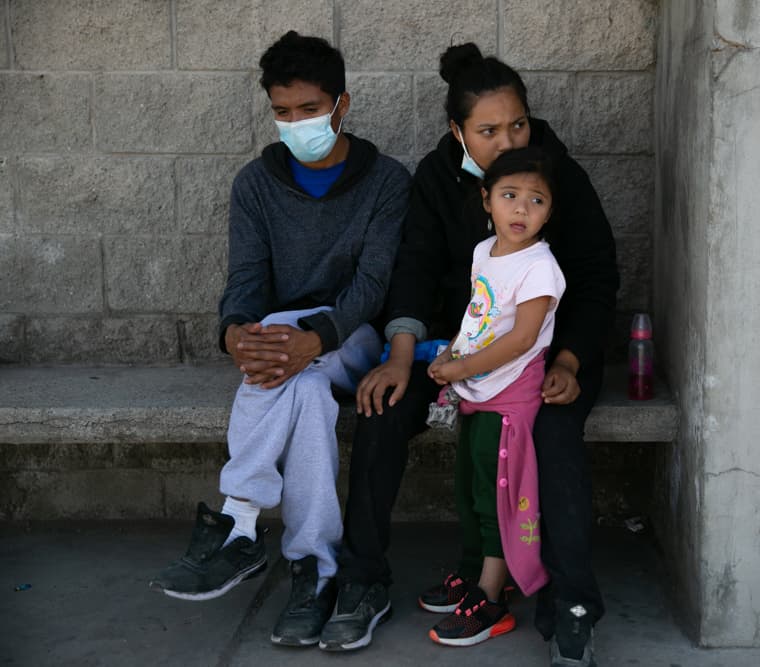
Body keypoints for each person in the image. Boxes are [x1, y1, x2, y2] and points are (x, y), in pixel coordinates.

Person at [323, 43, 618, 666]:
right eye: (488, 130)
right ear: (457, 132)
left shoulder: (555, 176)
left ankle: (569, 604)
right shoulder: (435, 180)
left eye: (518, 124)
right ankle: (361, 580)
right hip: (452, 351)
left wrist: (570, 361)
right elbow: (413, 270)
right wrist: (401, 356)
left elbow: (595, 276)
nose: (508, 139)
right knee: (383, 409)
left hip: (541, 358)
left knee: (554, 435)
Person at [148, 31, 410, 649]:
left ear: (341, 104)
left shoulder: (386, 181)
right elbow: (245, 280)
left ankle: (239, 519)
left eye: (310, 109)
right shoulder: (255, 184)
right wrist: (235, 332)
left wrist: (312, 336)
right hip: (286, 356)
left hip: (353, 338)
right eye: (283, 112)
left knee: (302, 353)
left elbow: (371, 286)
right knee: (311, 397)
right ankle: (315, 571)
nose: (296, 123)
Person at [423, 146, 566, 647]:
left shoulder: (540, 268)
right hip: (477, 389)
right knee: (469, 489)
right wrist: (453, 359)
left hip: (509, 401)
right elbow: (480, 318)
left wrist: (460, 367)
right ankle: (473, 574)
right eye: (510, 196)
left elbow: (521, 338)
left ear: (550, 209)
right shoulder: (485, 252)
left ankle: (492, 599)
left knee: (495, 499)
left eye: (537, 200)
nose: (522, 210)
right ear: (487, 201)